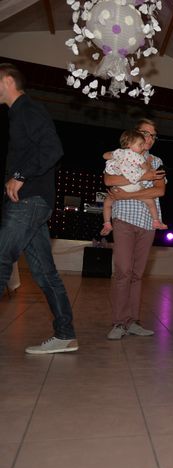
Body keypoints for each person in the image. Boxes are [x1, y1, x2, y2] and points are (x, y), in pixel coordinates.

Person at [0, 63, 78, 354]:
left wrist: (20, 176)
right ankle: (65, 334)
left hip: (29, 201)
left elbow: (53, 149)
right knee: (45, 273)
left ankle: (66, 333)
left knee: (1, 260)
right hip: (32, 202)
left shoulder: (27, 109)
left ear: (8, 81)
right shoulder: (17, 113)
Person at [104, 118, 166, 340]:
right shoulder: (121, 154)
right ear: (134, 134)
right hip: (124, 217)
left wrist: (130, 192)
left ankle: (133, 321)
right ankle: (120, 322)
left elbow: (159, 191)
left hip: (148, 221)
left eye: (153, 135)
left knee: (137, 274)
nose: (149, 138)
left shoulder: (156, 161)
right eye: (145, 133)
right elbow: (109, 179)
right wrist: (143, 178)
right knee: (123, 271)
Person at [101, 129, 167, 236]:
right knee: (150, 202)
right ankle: (156, 221)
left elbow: (105, 156)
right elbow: (146, 169)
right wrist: (149, 165)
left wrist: (112, 155)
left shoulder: (119, 152)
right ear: (129, 144)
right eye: (140, 144)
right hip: (134, 186)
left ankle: (107, 223)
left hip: (120, 187)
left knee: (107, 203)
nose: (142, 146)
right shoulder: (138, 157)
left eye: (153, 136)